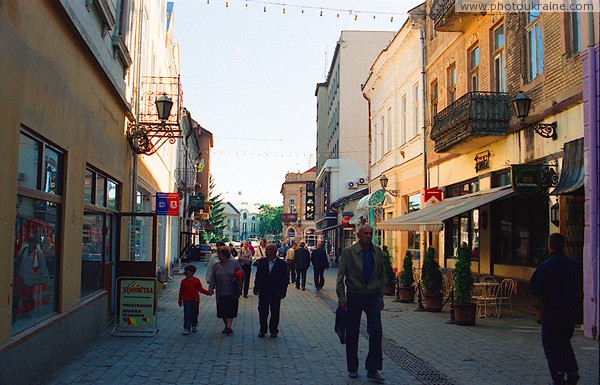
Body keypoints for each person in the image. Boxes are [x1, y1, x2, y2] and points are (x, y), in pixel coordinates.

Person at [336, 225, 385, 383]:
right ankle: (353, 367)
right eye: (365, 233)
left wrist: (381, 297)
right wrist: (342, 298)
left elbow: (381, 275)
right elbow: (340, 277)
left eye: (370, 233)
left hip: (372, 296)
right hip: (355, 295)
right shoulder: (349, 252)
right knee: (352, 333)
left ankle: (373, 368)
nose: (368, 236)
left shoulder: (377, 252)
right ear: (358, 235)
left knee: (376, 330)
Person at [531, 233, 581, 385]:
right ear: (564, 246)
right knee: (564, 341)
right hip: (570, 312)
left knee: (552, 345)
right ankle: (572, 371)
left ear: (550, 246)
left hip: (552, 312)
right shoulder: (574, 265)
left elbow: (535, 287)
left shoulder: (546, 266)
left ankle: (558, 376)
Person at [253, 243, 288, 338]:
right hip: (264, 291)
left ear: (273, 251)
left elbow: (285, 279)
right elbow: (258, 276)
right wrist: (256, 288)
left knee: (275, 311)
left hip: (275, 292)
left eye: (268, 250)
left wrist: (282, 292)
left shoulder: (282, 264)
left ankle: (273, 330)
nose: (265, 251)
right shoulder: (262, 262)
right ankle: (263, 329)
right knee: (262, 311)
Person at [208, 246, 243, 336]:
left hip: (232, 290)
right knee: (223, 310)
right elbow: (213, 278)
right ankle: (226, 325)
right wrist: (211, 288)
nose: (218, 256)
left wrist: (236, 277)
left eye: (219, 254)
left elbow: (241, 273)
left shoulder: (234, 263)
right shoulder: (216, 266)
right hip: (221, 291)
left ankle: (228, 327)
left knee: (230, 309)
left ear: (224, 255)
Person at [178, 264, 211, 335]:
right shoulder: (183, 281)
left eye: (189, 272)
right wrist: (180, 300)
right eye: (186, 272)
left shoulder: (196, 280)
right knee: (187, 313)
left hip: (195, 299)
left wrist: (207, 292)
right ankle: (186, 328)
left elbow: (200, 289)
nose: (187, 273)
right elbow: (181, 291)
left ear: (193, 273)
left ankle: (194, 325)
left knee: (195, 313)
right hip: (186, 299)